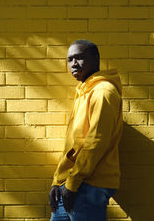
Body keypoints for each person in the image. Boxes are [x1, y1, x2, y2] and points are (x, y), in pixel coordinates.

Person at [49, 39, 123, 221]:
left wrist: (72, 184)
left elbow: (95, 142)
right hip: (70, 183)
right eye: (70, 59)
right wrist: (57, 181)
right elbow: (74, 143)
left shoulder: (103, 92)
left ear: (95, 59)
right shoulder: (84, 91)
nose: (73, 63)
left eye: (80, 58)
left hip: (88, 185)